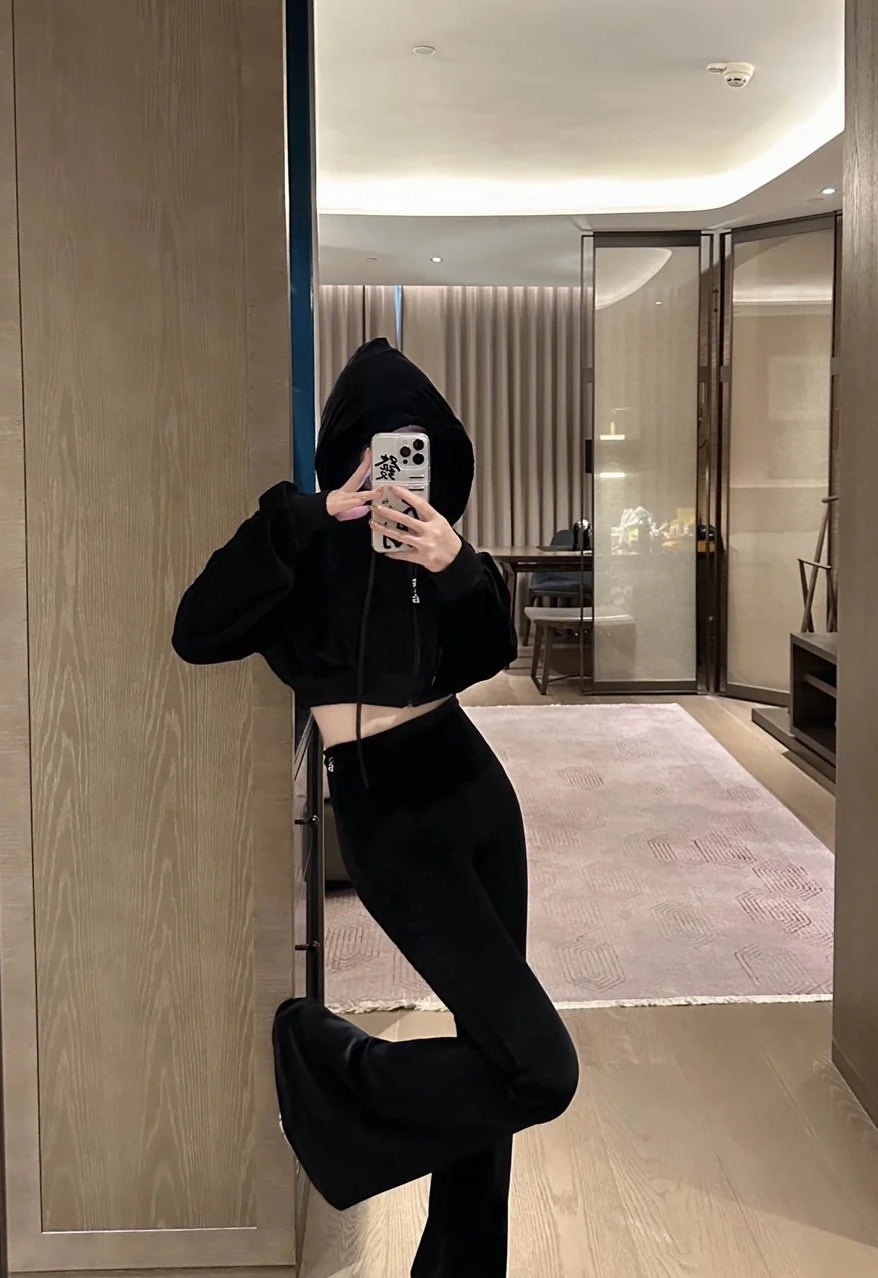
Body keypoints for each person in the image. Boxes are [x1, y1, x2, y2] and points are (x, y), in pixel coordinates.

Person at [171, 337, 578, 1278]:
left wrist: (458, 565)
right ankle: (326, 1061)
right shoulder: (301, 544)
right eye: (375, 447)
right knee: (538, 1070)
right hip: (386, 808)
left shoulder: (432, 547)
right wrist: (308, 514)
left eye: (411, 447)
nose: (389, 468)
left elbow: (488, 656)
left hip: (474, 787)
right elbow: (196, 632)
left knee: (492, 1055)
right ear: (344, 450)